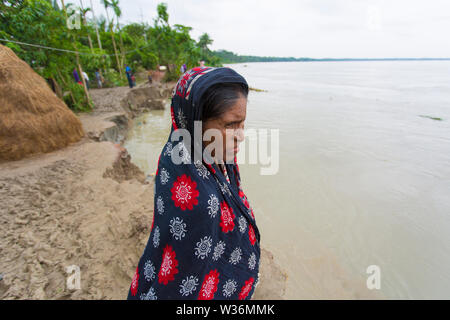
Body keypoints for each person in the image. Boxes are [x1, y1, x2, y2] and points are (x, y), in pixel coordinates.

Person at [126, 67, 260, 300]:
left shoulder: (207, 154)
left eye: (242, 123)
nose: (241, 135)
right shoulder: (195, 194)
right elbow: (183, 281)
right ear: (195, 121)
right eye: (230, 125)